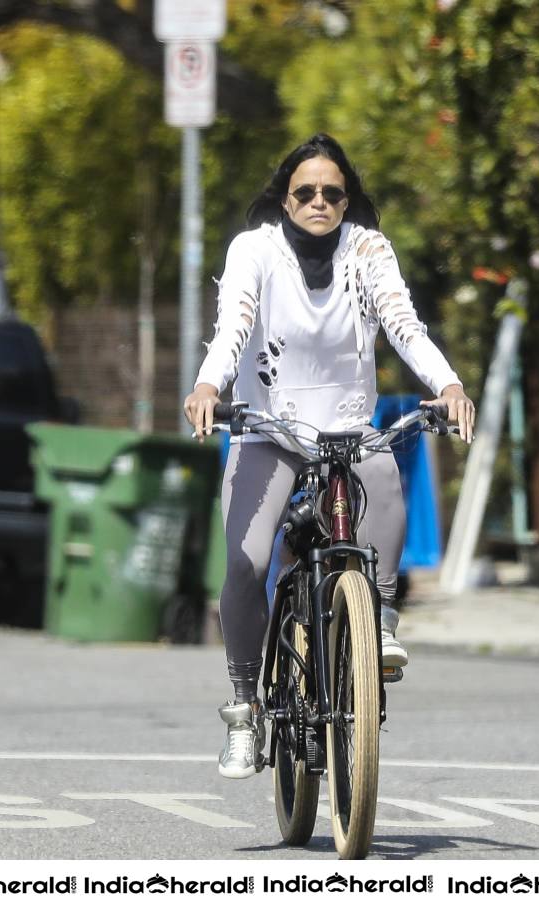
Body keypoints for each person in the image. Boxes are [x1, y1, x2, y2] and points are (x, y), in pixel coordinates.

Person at [183, 134, 475, 779]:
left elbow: (404, 324)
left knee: (384, 474)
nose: (319, 202)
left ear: (349, 200)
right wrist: (209, 385)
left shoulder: (368, 249)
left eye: (332, 193)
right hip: (269, 428)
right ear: (283, 198)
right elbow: (233, 326)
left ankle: (382, 622)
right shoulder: (254, 250)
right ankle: (244, 707)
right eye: (305, 192)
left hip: (347, 428)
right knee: (246, 561)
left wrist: (447, 385)